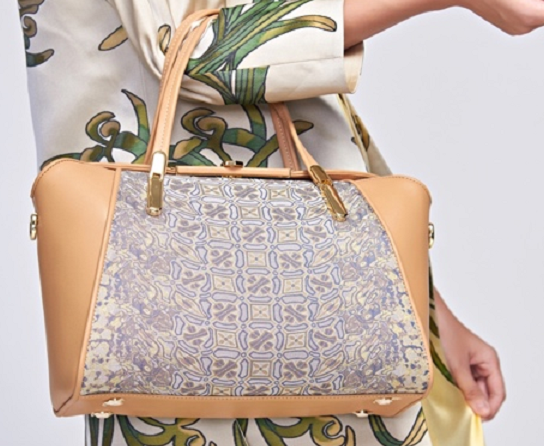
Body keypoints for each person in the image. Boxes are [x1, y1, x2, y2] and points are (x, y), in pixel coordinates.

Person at [17, 0, 543, 444]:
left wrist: (427, 312)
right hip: (180, 303)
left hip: (323, 307)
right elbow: (200, 51)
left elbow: (300, 110)